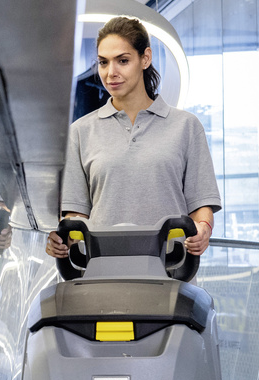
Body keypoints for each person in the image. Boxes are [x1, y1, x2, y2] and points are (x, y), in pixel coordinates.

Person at [47, 16, 221, 262]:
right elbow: (76, 216)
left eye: (123, 61)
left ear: (145, 58)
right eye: (103, 62)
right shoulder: (80, 132)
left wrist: (203, 229)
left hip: (170, 270)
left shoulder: (187, 126)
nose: (111, 73)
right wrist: (62, 241)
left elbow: (201, 205)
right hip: (103, 270)